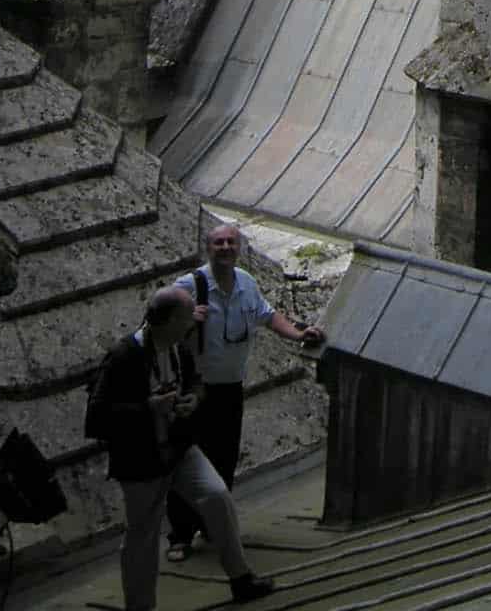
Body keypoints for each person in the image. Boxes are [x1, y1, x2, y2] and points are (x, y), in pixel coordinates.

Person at [86, 285, 275, 609]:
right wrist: (148, 408)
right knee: (142, 537)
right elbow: (96, 418)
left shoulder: (177, 348)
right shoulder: (124, 356)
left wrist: (193, 399)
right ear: (170, 319)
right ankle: (140, 606)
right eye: (188, 316)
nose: (194, 322)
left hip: (179, 449)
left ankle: (240, 578)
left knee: (217, 496)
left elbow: (196, 382)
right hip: (141, 461)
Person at [165, 221, 324, 563]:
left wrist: (298, 334)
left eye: (230, 242)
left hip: (230, 390)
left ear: (239, 248)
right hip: (195, 393)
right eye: (218, 242)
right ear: (208, 248)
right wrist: (188, 319)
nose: (224, 248)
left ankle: (212, 525)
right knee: (188, 463)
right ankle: (179, 534)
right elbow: (158, 327)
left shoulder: (247, 284)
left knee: (223, 460)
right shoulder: (189, 286)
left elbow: (268, 317)